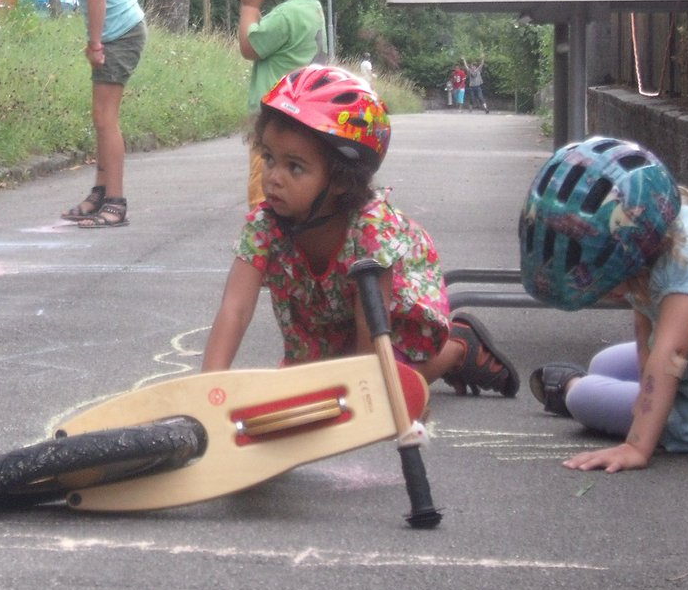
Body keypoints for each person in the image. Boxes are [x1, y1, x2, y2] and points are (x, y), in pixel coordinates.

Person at [202, 65, 520, 399]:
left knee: (383, 390)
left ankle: (458, 348)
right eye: (269, 158)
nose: (273, 177)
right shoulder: (264, 225)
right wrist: (207, 392)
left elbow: (371, 353)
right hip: (329, 317)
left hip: (390, 318)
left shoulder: (369, 233)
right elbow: (235, 309)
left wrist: (356, 397)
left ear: (341, 179)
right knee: (306, 389)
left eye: (294, 166)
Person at [520, 136, 688, 473]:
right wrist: (646, 395)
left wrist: (637, 445)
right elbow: (645, 326)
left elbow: (671, 356)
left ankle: (570, 389)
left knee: (584, 398)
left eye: (608, 284)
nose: (608, 294)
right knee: (603, 361)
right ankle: (633, 396)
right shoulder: (651, 239)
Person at [56, 0, 147, 229]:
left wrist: (95, 42)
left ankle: (116, 200)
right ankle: (99, 191)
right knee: (101, 117)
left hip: (117, 32)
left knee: (106, 119)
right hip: (124, 29)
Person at [237, 0, 336, 212]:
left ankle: (264, 245)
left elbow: (249, 46)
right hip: (302, 120)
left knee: (264, 195)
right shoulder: (313, 10)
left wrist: (250, 6)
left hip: (273, 122)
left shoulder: (287, 14)